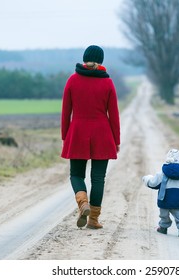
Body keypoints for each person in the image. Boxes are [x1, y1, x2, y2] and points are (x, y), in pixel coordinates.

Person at [61, 45, 120, 229]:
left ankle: (82, 202)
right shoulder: (107, 83)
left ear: (84, 59)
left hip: (77, 132)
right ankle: (93, 220)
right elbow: (114, 115)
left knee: (76, 174)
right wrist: (116, 141)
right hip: (102, 134)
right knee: (98, 178)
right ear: (101, 61)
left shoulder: (72, 80)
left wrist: (65, 135)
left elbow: (65, 112)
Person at [142, 149, 179, 237]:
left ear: (167, 158)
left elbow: (153, 183)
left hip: (165, 199)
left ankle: (163, 228)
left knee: (164, 215)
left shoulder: (162, 173)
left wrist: (146, 179)